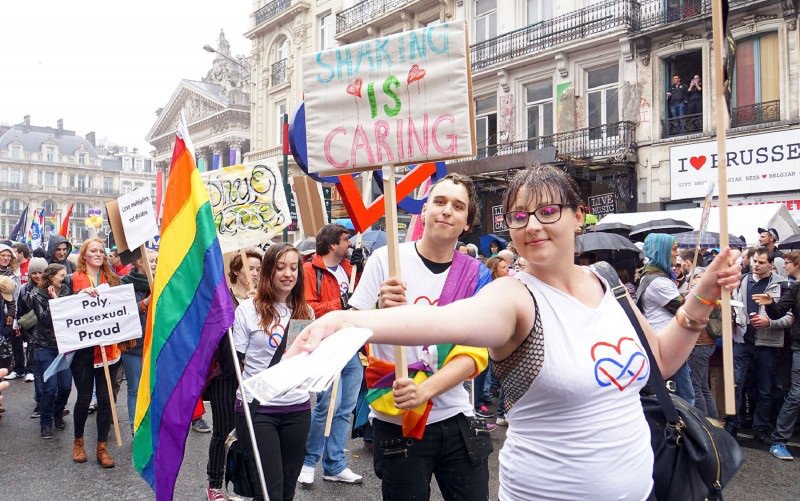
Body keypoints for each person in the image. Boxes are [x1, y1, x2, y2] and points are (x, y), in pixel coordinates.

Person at [291, 165, 741, 500]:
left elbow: (660, 360)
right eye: (519, 216)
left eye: (548, 211)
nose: (533, 225)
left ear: (578, 217)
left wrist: (701, 295)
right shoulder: (513, 296)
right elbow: (440, 321)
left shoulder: (609, 283)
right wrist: (344, 320)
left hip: (640, 489)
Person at [346, 173, 493, 501]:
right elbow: (354, 330)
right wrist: (380, 310)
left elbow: (474, 354)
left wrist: (425, 390)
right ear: (424, 210)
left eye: (458, 206)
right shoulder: (386, 260)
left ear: (467, 223)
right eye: (439, 202)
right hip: (395, 420)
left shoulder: (476, 275)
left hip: (454, 417)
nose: (446, 211)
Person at [232, 243, 314, 501]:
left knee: (288, 489)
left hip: (297, 409)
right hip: (258, 409)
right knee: (269, 492)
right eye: (280, 268)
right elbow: (236, 360)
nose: (287, 273)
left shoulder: (305, 311)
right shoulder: (247, 309)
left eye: (293, 268)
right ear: (268, 271)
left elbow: (304, 360)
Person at [298, 224, 365, 486]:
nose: (350, 244)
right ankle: (309, 461)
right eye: (346, 240)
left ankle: (334, 464)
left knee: (345, 409)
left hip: (350, 345)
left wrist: (361, 272)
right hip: (325, 346)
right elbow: (308, 308)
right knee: (327, 406)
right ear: (332, 244)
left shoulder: (350, 269)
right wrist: (340, 304)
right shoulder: (308, 271)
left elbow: (362, 299)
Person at [204, 248, 261, 501]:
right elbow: (216, 339)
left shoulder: (264, 300)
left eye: (260, 270)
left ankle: (242, 482)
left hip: (255, 377)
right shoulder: (223, 299)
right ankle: (214, 483)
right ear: (237, 270)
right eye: (252, 269)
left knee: (250, 431)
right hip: (226, 376)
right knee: (223, 431)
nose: (256, 274)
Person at [727, 247, 792, 441]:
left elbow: (789, 318)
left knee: (765, 389)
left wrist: (769, 322)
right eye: (755, 261)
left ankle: (760, 428)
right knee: (736, 384)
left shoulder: (781, 284)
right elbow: (732, 305)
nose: (756, 264)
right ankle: (732, 423)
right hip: (742, 340)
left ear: (771, 264)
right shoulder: (743, 280)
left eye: (761, 262)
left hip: (767, 343)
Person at [69, 238, 122, 468]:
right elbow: (65, 310)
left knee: (105, 398)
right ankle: (78, 441)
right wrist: (80, 297)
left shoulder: (113, 279)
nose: (98, 253)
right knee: (83, 397)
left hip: (108, 349)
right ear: (84, 255)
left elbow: (123, 308)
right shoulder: (73, 280)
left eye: (101, 250)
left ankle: (102, 446)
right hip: (84, 351)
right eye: (93, 250)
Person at [635, 233, 695, 405]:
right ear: (663, 251)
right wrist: (698, 295)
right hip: (667, 344)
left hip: (664, 341)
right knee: (685, 398)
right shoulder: (658, 282)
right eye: (674, 249)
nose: (677, 254)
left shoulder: (654, 277)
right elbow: (683, 308)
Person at [753, 252, 800, 459]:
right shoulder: (794, 288)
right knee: (796, 394)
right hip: (798, 347)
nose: (785, 266)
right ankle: (779, 441)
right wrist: (770, 303)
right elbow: (778, 312)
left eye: (788, 262)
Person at [27, 264, 73, 438]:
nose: (65, 278)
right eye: (61, 275)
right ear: (51, 277)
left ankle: (58, 413)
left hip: (63, 346)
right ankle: (45, 423)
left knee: (66, 387)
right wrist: (54, 300)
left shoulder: (66, 289)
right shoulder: (36, 295)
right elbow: (46, 320)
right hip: (44, 346)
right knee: (50, 388)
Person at [119, 250, 156, 432]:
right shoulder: (124, 285)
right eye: (152, 260)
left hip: (155, 344)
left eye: (157, 260)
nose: (156, 263)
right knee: (135, 388)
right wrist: (145, 303)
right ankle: (137, 429)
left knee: (154, 387)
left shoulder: (160, 283)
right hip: (134, 345)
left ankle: (152, 425)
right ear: (140, 263)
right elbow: (122, 314)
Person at [684, 269, 719, 418]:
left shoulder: (706, 295)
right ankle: (712, 423)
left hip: (701, 344)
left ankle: (704, 424)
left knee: (696, 387)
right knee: (703, 386)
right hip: (703, 344)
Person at [16, 257, 48, 393]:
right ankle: (40, 399)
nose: (37, 275)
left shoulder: (51, 287)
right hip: (31, 331)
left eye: (40, 272)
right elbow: (20, 308)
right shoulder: (25, 289)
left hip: (48, 332)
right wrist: (21, 325)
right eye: (34, 272)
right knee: (36, 363)